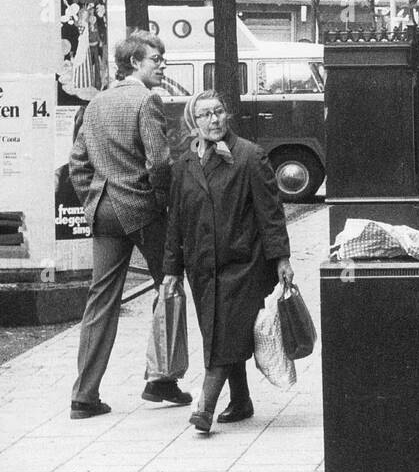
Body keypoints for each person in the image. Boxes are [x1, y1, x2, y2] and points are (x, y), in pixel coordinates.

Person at [68, 31, 191, 418]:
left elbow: (77, 162)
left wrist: (93, 197)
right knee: (170, 285)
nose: (162, 65)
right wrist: (159, 202)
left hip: (104, 209)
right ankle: (162, 379)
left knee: (101, 299)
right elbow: (158, 162)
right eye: (156, 59)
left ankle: (83, 396)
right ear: (135, 62)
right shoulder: (146, 100)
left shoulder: (97, 102)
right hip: (142, 211)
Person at [161, 91, 293, 435]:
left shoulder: (250, 156)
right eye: (205, 115)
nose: (214, 119)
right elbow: (175, 219)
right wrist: (172, 269)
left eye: (219, 112)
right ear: (194, 122)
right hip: (202, 268)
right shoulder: (184, 164)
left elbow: (270, 213)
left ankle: (204, 408)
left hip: (244, 263)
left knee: (224, 334)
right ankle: (242, 400)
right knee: (221, 333)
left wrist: (281, 258)